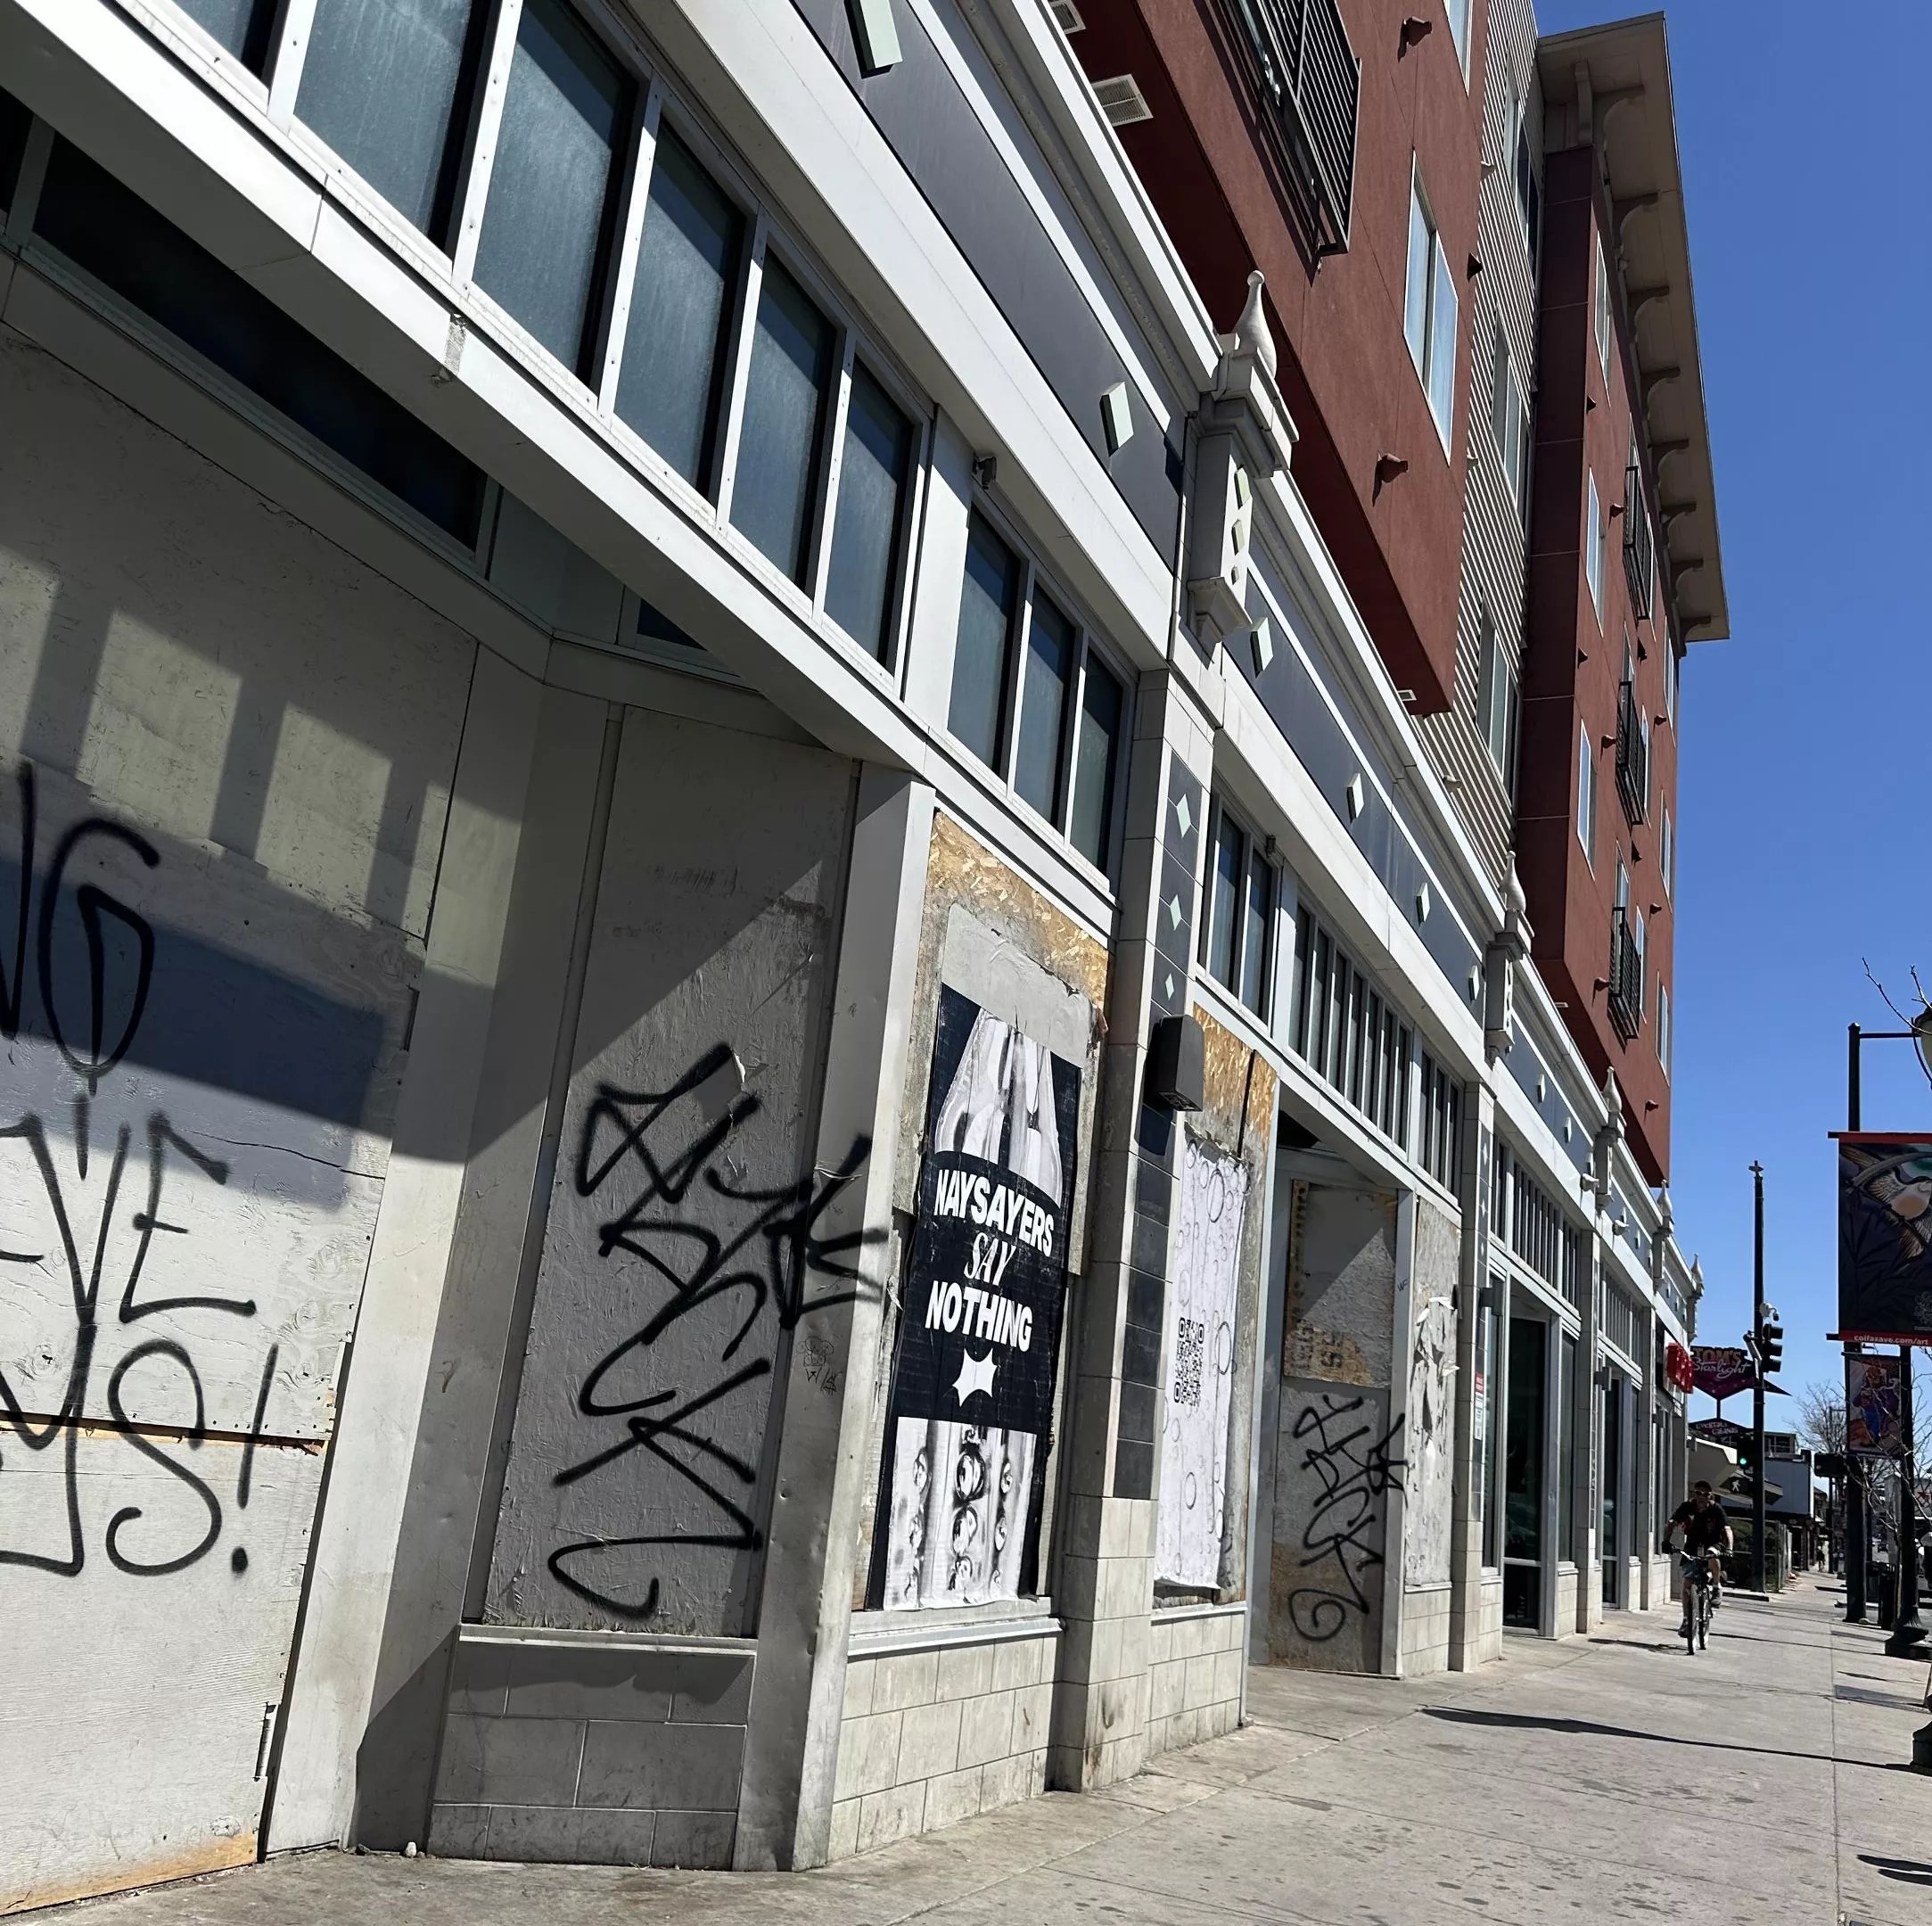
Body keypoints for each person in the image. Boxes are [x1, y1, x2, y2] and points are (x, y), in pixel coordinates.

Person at [1664, 1481, 1734, 1634]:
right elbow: (1672, 1522)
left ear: (1710, 1496)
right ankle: (1686, 1620)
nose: (1702, 1497)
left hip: (1713, 1542)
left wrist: (1729, 1548)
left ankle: (1716, 1587)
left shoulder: (1716, 1509)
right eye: (1698, 1493)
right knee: (1687, 1584)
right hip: (1693, 1544)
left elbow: (1727, 1529)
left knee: (1711, 1553)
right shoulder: (1687, 1507)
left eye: (1706, 1494)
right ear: (1694, 1494)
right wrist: (1666, 1541)